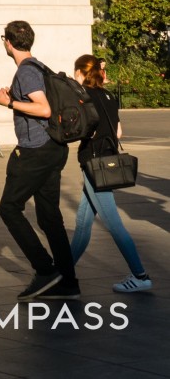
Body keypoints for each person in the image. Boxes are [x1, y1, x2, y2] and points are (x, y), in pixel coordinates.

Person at [0, 19, 78, 299]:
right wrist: (14, 98)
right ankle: (68, 284)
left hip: (36, 151)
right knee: (49, 217)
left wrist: (8, 102)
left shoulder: (27, 71)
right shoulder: (39, 67)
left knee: (9, 208)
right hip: (53, 148)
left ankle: (45, 270)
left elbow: (44, 109)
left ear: (7, 42)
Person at [70, 53, 151, 294]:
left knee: (113, 223)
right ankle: (62, 272)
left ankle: (140, 275)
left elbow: (81, 130)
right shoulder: (108, 96)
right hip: (106, 161)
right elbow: (118, 133)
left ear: (80, 72)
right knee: (83, 222)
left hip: (94, 163)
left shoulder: (84, 96)